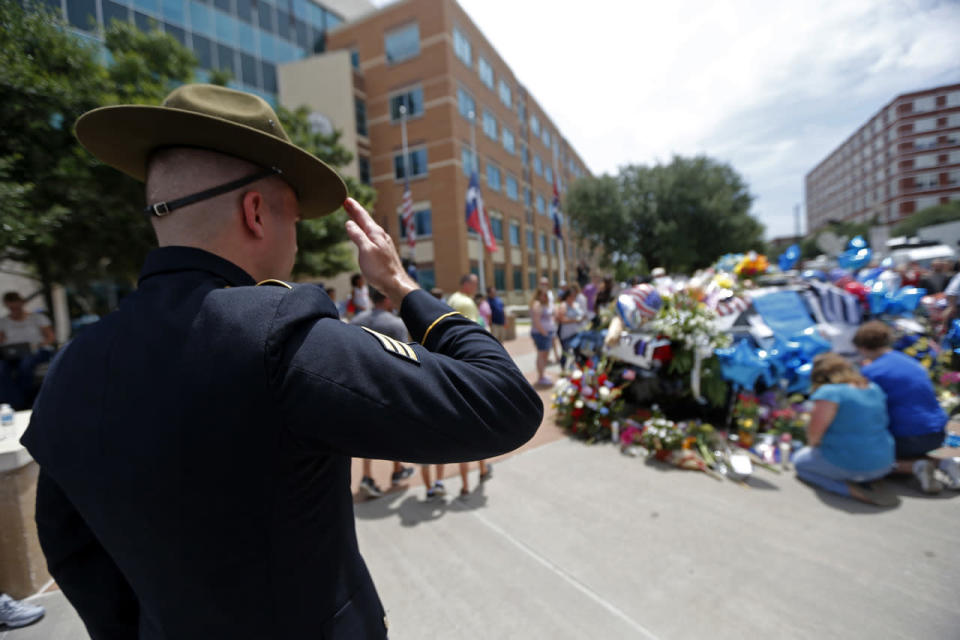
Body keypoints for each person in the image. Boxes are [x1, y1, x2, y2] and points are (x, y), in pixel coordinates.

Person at [21, 84, 543, 639]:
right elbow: (504, 403)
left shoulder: (72, 366)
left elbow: (69, 544)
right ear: (255, 213)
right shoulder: (279, 338)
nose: (295, 238)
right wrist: (401, 284)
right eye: (293, 218)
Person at [854, 321, 959, 492]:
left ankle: (915, 466)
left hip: (908, 437)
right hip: (939, 431)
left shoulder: (871, 372)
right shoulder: (910, 362)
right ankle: (945, 463)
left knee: (862, 458)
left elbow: (865, 411)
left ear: (862, 347)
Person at [793, 353, 896, 505]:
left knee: (800, 463)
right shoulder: (874, 388)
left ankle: (849, 490)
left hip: (850, 463)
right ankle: (868, 479)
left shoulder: (830, 392)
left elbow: (814, 436)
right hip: (885, 462)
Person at [350, 287, 416, 498]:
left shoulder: (356, 320)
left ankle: (378, 474)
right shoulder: (395, 324)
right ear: (387, 299)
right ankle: (388, 473)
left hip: (360, 383)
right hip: (388, 386)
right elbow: (403, 359)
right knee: (394, 431)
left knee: (367, 434)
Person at [0, 291, 56, 409]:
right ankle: (11, 402)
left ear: (21, 303)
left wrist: (37, 345)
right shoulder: (3, 322)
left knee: (26, 363)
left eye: (16, 306)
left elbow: (51, 338)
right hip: (13, 354)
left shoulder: (38, 318)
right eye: (11, 307)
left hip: (38, 351)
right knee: (2, 367)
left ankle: (25, 401)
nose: (14, 309)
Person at [530, 285, 556, 386]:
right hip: (541, 333)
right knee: (541, 355)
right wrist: (544, 333)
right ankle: (540, 377)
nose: (544, 297)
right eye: (542, 295)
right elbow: (536, 321)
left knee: (545, 355)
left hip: (546, 333)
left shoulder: (543, 304)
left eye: (546, 295)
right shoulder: (537, 304)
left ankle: (542, 374)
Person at [556, 287, 585, 370]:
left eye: (574, 296)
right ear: (567, 296)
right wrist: (575, 320)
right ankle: (563, 369)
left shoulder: (576, 304)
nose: (573, 298)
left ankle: (575, 369)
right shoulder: (563, 305)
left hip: (576, 332)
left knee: (577, 352)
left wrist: (582, 319)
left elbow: (580, 315)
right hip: (566, 333)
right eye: (571, 296)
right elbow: (561, 319)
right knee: (566, 352)